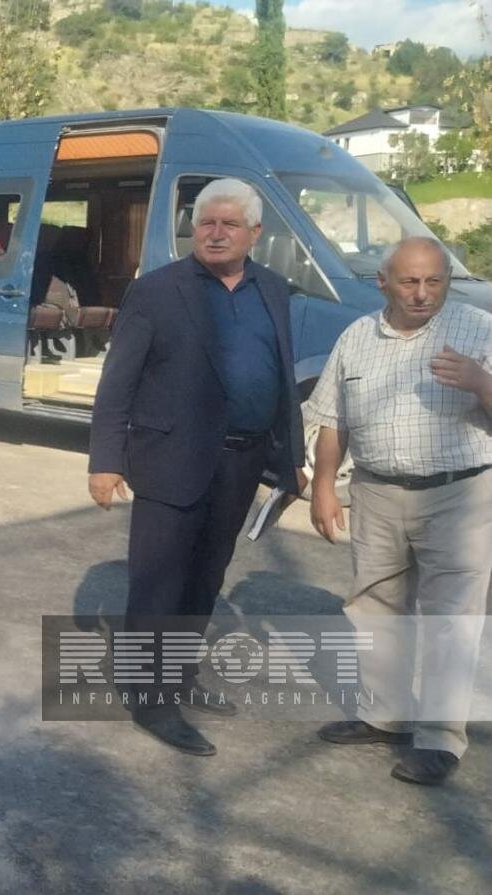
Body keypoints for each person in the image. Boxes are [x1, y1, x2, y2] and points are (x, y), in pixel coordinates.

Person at [87, 178, 307, 756]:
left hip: (241, 462)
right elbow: (118, 382)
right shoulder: (156, 291)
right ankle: (150, 700)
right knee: (158, 583)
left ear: (255, 233)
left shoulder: (272, 289)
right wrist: (105, 460)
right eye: (206, 222)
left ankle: (178, 678)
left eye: (229, 224)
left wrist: (292, 460)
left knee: (205, 579)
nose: (215, 233)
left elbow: (282, 377)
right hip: (169, 461)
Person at [308, 236, 492, 787]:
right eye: (410, 282)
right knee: (376, 607)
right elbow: (333, 419)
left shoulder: (479, 330)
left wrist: (481, 382)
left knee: (450, 619)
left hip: (459, 495)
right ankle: (384, 715)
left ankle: (439, 739)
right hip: (377, 493)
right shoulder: (356, 336)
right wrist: (323, 486)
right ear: (383, 283)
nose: (422, 293)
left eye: (434, 281)